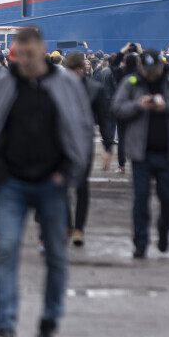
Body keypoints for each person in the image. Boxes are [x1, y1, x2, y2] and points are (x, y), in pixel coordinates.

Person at [0, 26, 93, 337]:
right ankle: (5, 325)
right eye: (21, 55)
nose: (27, 61)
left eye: (31, 55)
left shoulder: (65, 84)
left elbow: (81, 127)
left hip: (51, 182)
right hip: (11, 182)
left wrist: (68, 173)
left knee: (56, 254)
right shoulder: (3, 83)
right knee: (7, 249)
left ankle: (49, 324)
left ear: (42, 52)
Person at [110, 48, 169, 258]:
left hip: (167, 152)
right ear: (140, 67)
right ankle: (140, 242)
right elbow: (117, 107)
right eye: (147, 70)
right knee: (141, 199)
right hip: (141, 153)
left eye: (154, 69)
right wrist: (139, 105)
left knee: (168, 199)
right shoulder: (131, 83)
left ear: (161, 66)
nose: (151, 74)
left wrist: (166, 106)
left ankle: (164, 230)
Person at [64, 51, 104, 246]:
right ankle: (68, 224)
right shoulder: (58, 87)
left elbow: (104, 118)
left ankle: (79, 228)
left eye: (76, 70)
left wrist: (108, 146)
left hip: (83, 142)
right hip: (63, 141)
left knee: (81, 185)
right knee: (61, 185)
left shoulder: (93, 88)